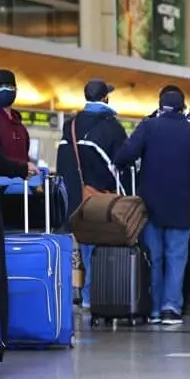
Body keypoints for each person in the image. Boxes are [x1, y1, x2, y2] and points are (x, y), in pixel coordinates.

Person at [114, 88, 190, 326]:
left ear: (160, 107)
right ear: (183, 108)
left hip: (150, 205)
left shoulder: (149, 127)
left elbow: (126, 153)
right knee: (176, 256)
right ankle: (171, 308)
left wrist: (120, 165)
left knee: (155, 256)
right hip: (182, 205)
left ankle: (154, 310)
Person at [57, 78, 128, 309]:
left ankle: (83, 295)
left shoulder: (71, 125)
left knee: (83, 246)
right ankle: (97, 295)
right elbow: (122, 166)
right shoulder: (113, 127)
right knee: (101, 248)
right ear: (105, 97)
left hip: (77, 199)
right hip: (102, 199)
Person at [0, 69, 31, 166]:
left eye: (9, 86)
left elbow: (25, 155)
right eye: (0, 86)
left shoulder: (19, 124)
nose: (5, 90)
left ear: (15, 89)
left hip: (21, 179)